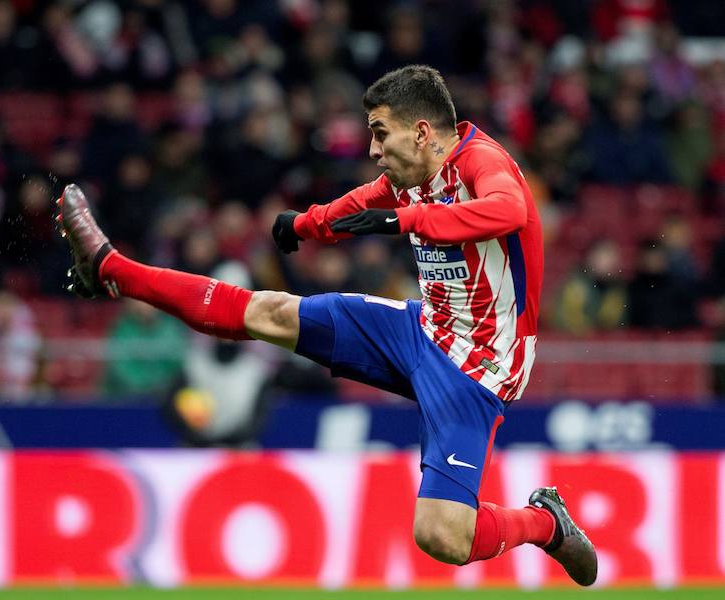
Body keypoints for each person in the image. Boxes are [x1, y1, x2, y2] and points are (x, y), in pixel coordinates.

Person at [57, 65, 597, 585]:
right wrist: (307, 224)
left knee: (441, 537)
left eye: (380, 134)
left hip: (479, 367)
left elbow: (509, 211)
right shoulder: (411, 175)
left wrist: (403, 220)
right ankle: (111, 269)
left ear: (423, 131)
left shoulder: (483, 162)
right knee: (268, 311)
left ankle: (545, 523)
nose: (372, 149)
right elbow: (364, 203)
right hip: (421, 330)